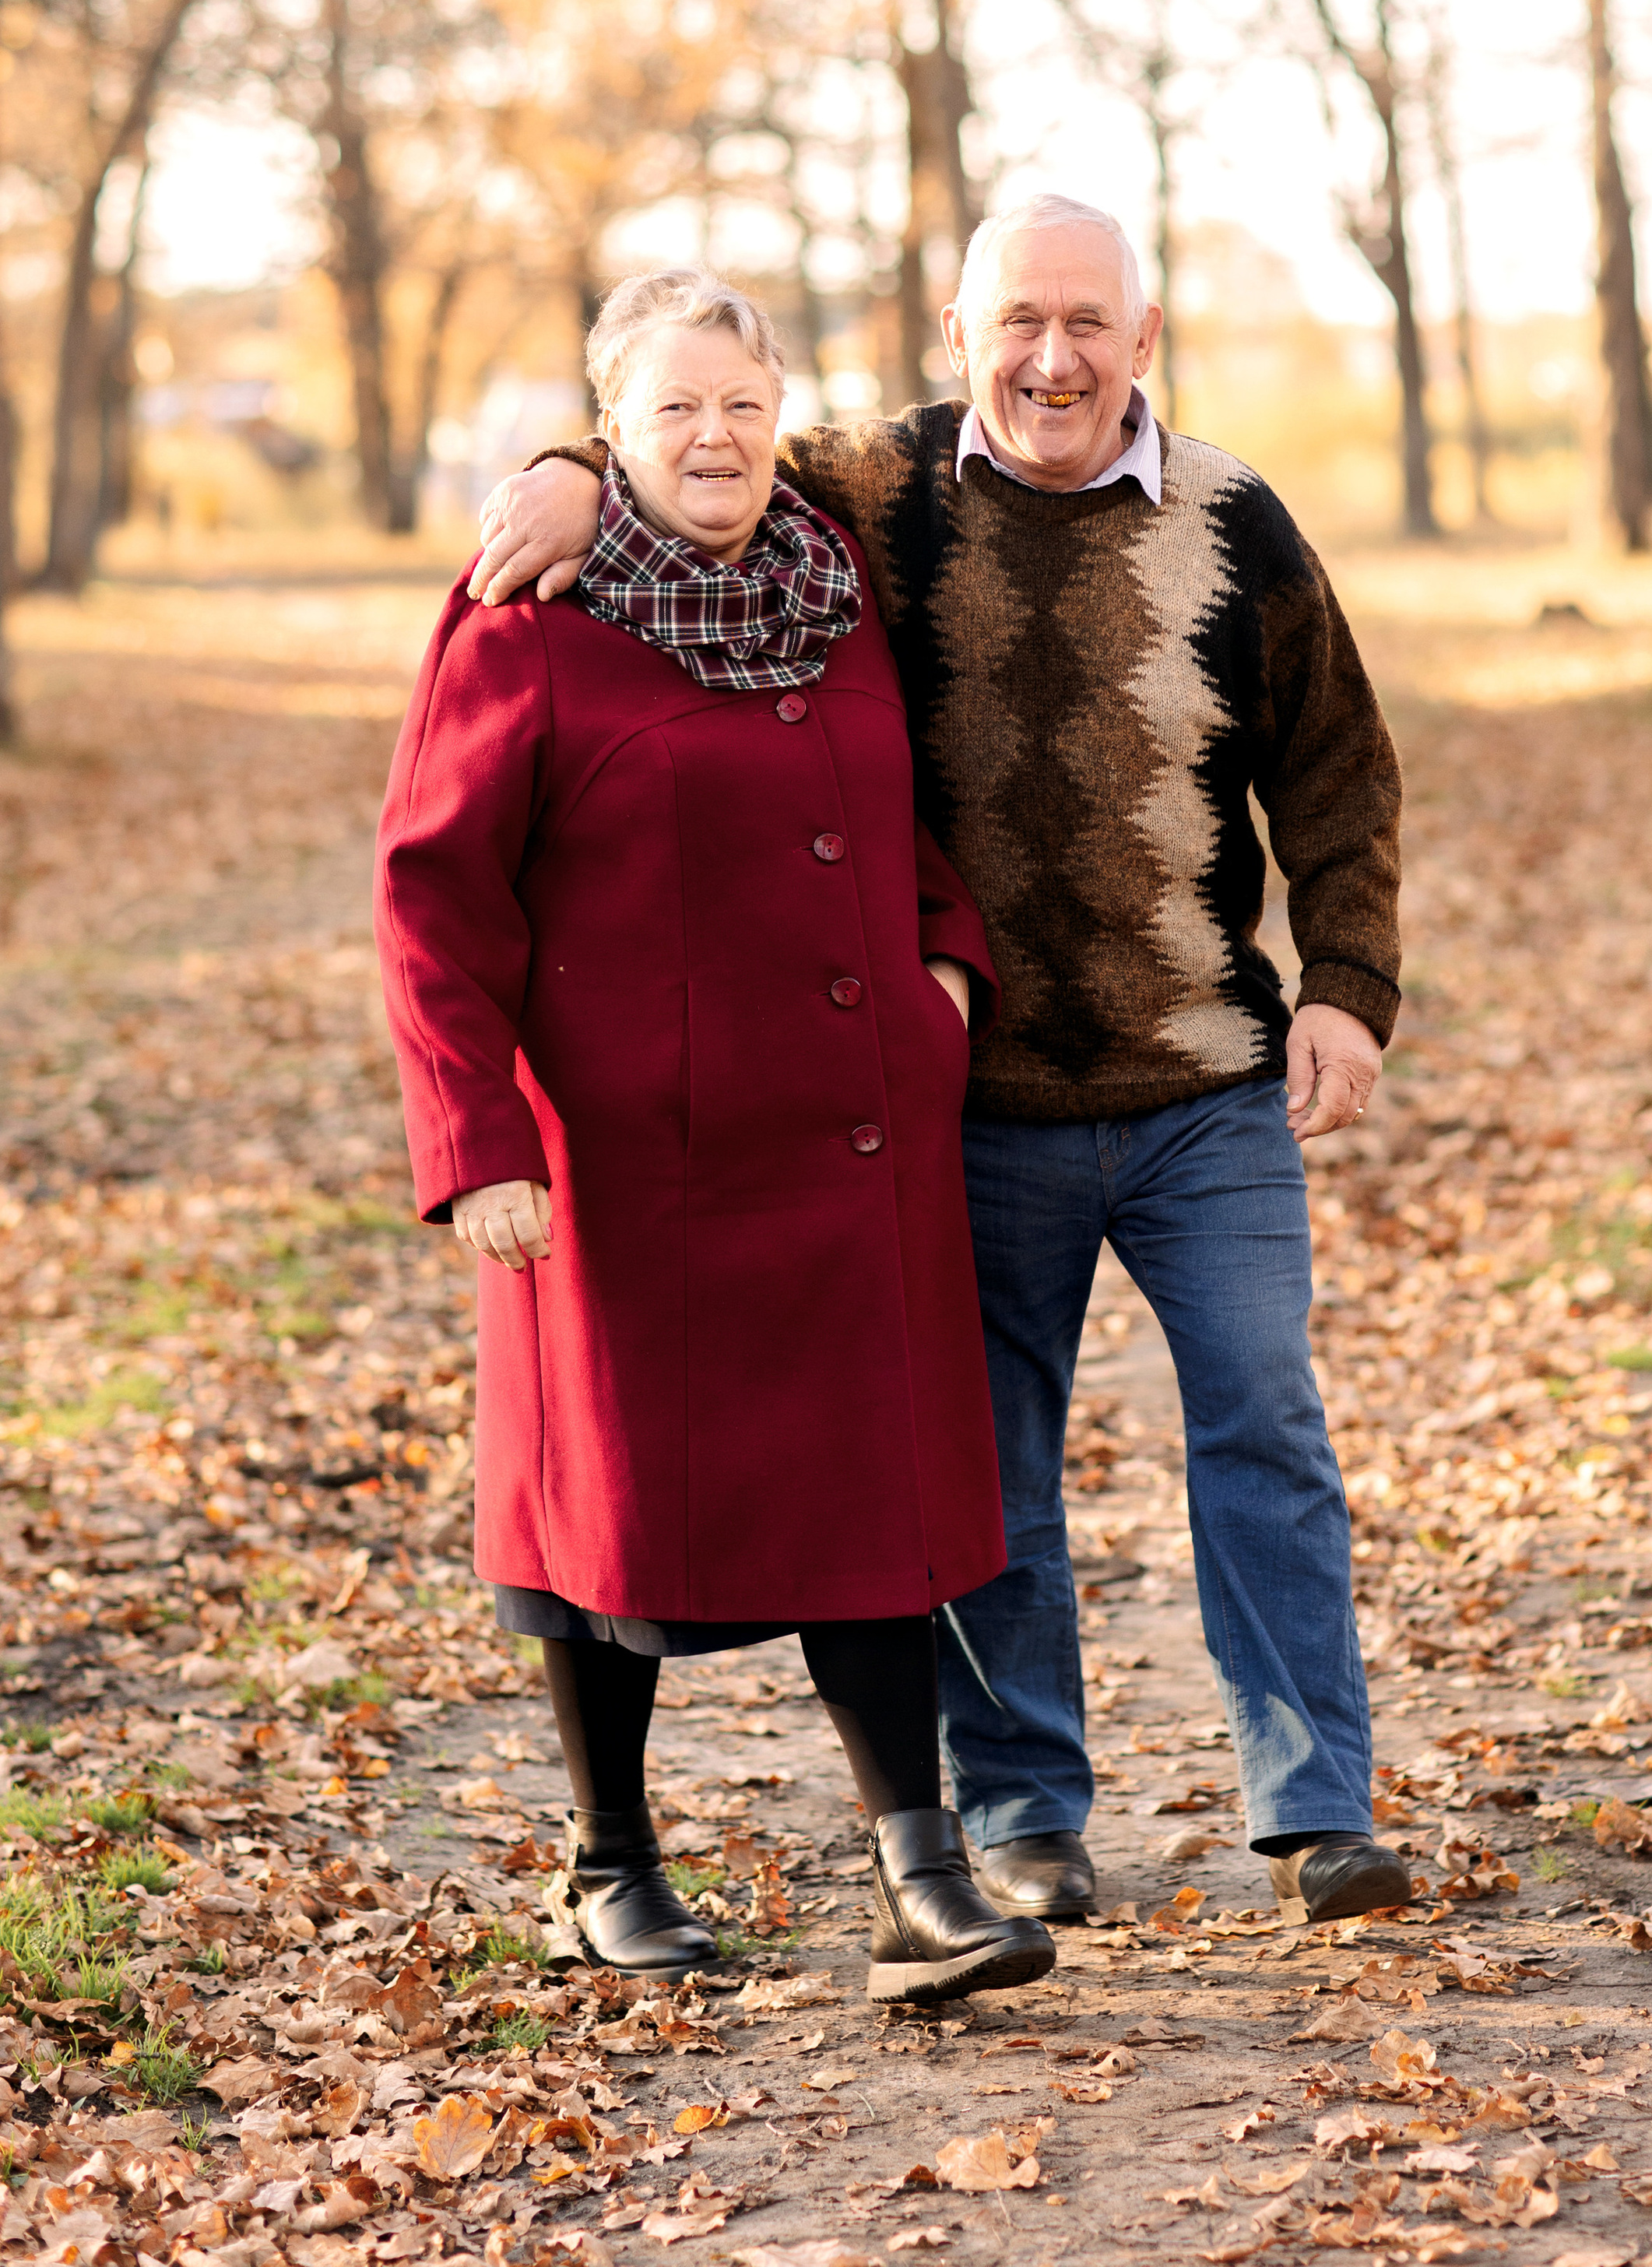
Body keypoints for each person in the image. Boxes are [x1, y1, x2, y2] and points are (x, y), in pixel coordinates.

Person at [471, 195, 1415, 1931]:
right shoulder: (875, 490)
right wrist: (561, 469)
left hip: (1204, 1080)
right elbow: (693, 429)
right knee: (990, 1472)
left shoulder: (1234, 520)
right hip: (971, 1109)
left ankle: (1315, 1810)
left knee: (1264, 1423)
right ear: (955, 334)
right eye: (1017, 323)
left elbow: (1337, 771)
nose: (1050, 360)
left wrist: (1345, 987)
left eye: (1087, 324)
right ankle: (1022, 1818)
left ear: (1142, 340)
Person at [374, 268, 1056, 2005]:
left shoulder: (835, 596)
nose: (715, 438)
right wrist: (477, 1140)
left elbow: (898, 827)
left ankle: (920, 1873)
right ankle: (610, 1869)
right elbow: (431, 896)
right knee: (606, 1518)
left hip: (846, 1147)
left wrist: (944, 971)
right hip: (622, 1161)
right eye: (674, 408)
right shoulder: (522, 615)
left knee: (873, 1502)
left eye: (743, 406)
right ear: (607, 434)